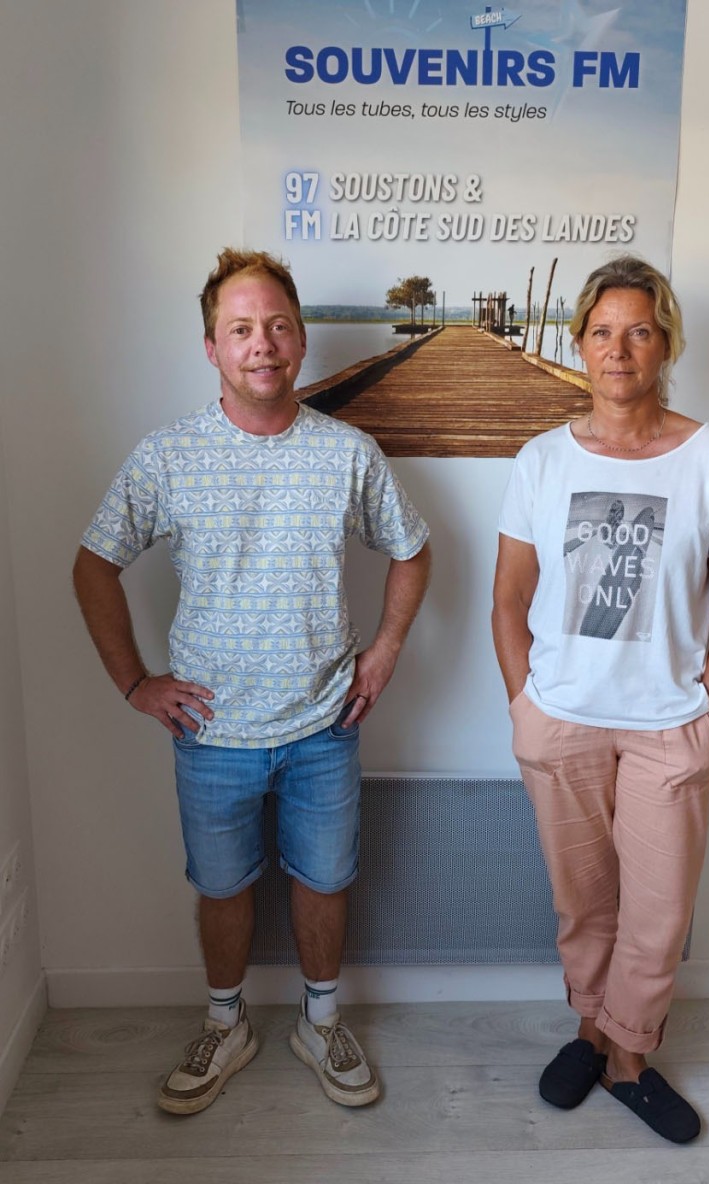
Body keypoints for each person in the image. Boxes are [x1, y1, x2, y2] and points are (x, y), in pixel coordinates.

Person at [73, 248, 431, 1115]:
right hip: (210, 731)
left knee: (325, 881)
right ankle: (224, 1024)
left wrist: (384, 650)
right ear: (212, 348)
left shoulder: (346, 453)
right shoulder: (167, 456)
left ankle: (320, 1022)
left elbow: (413, 551)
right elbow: (93, 566)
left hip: (323, 724)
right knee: (222, 887)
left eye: (276, 326)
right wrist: (135, 684)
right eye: (240, 330)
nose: (261, 344)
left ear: (300, 339)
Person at [492, 255, 709, 1143]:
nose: (618, 350)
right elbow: (507, 599)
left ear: (665, 344)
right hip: (561, 721)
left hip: (665, 727)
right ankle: (590, 1031)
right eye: (603, 332)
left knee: (656, 912)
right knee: (584, 904)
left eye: (638, 332)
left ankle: (628, 1060)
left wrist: (705, 709)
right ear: (579, 344)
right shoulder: (541, 461)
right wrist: (525, 706)